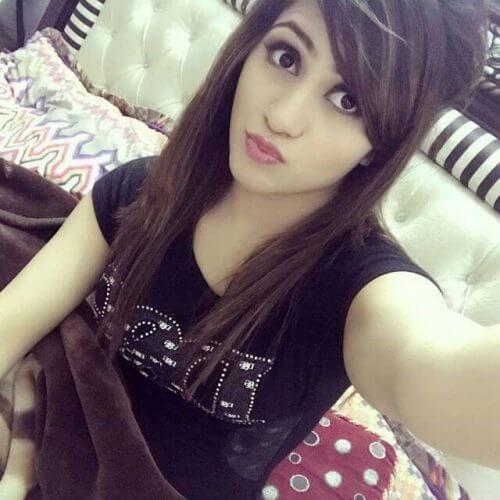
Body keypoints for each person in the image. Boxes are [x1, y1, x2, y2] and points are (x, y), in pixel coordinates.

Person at [0, 0, 490, 498]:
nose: (282, 116)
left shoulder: (357, 290)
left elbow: (429, 365)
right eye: (286, 57)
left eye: (348, 101)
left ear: (380, 146)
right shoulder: (139, 193)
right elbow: (12, 320)